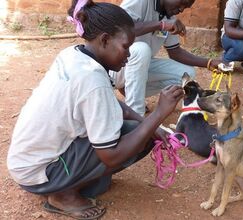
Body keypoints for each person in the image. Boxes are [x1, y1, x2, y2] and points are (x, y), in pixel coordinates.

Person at [7, 0, 183, 219]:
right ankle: (62, 194)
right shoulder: (92, 80)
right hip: (39, 172)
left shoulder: (75, 54)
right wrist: (157, 115)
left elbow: (113, 105)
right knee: (139, 136)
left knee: (139, 129)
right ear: (105, 40)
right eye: (126, 47)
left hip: (26, 162)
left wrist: (148, 124)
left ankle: (78, 181)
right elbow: (111, 155)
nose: (128, 56)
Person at [110, 0, 221, 116]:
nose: (182, 9)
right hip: (115, 67)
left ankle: (130, 91)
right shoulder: (140, 2)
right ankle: (136, 114)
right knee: (141, 50)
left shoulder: (169, 18)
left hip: (136, 68)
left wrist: (209, 62)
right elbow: (120, 28)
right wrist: (160, 25)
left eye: (186, 7)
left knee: (187, 73)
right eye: (182, 3)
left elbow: (175, 52)